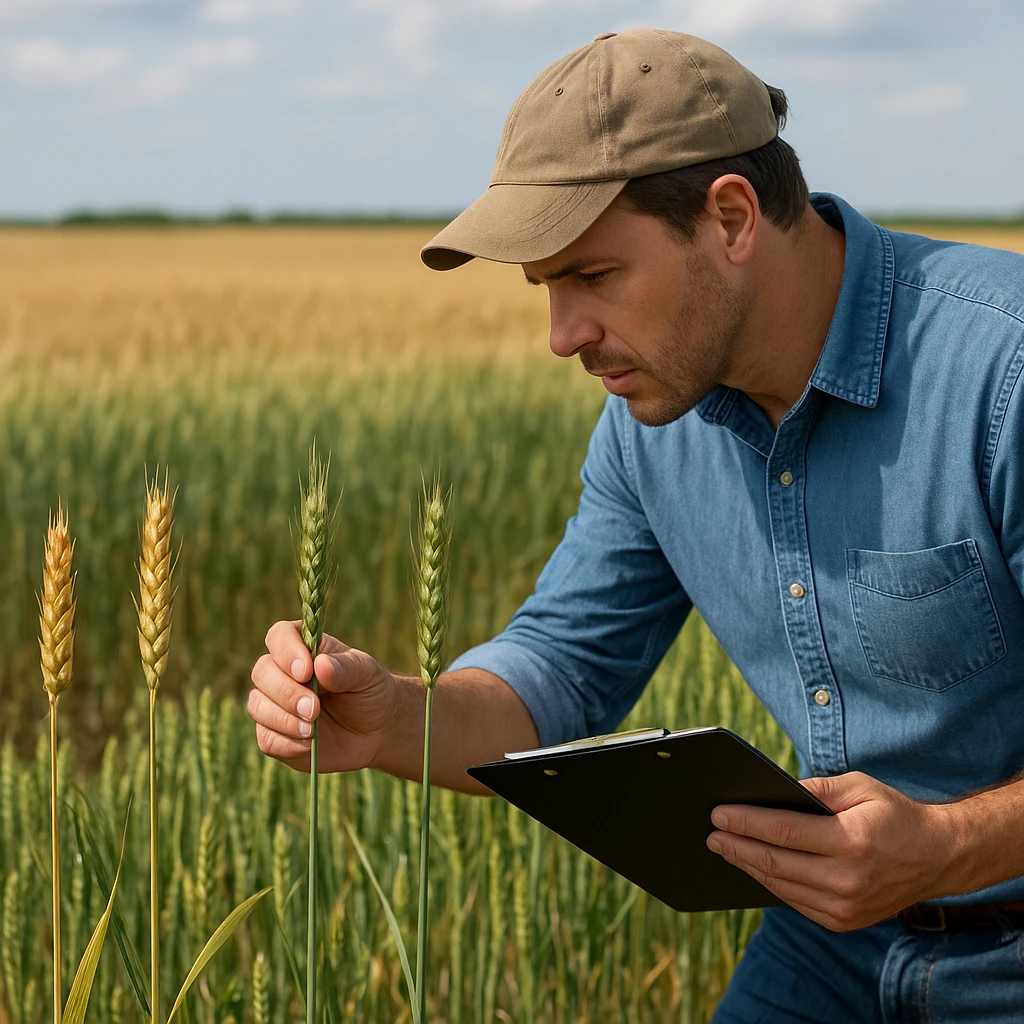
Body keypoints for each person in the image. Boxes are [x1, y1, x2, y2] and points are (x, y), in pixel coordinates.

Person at [248, 28, 1024, 1021]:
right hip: (828, 936)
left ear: (732, 218)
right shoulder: (647, 424)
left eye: (593, 277)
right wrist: (399, 715)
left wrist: (949, 846)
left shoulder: (1000, 374)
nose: (560, 337)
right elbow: (560, 668)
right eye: (544, 288)